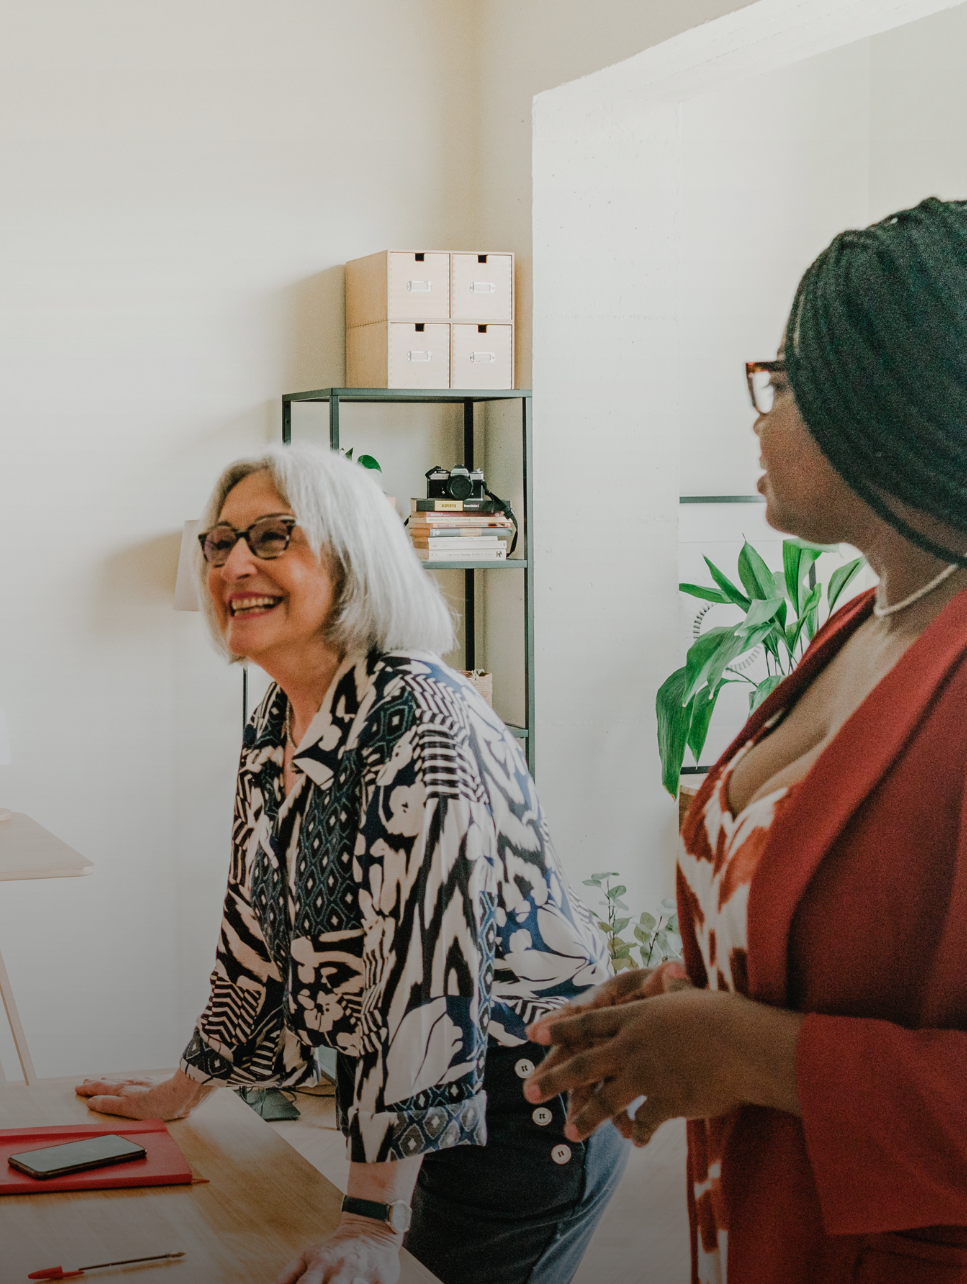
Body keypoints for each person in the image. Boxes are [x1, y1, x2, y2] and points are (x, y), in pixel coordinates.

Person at [522, 199, 967, 1281]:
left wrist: (759, 1056)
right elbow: (895, 946)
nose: (760, 417)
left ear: (901, 396)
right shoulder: (881, 615)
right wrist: (689, 1005)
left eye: (783, 384)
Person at [77, 444, 623, 1284]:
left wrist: (369, 1217)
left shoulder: (423, 725)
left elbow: (425, 982)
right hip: (429, 1109)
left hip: (532, 1109)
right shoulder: (282, 713)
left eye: (272, 536)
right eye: (220, 542)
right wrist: (184, 1088)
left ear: (352, 556)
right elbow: (254, 929)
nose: (235, 564)